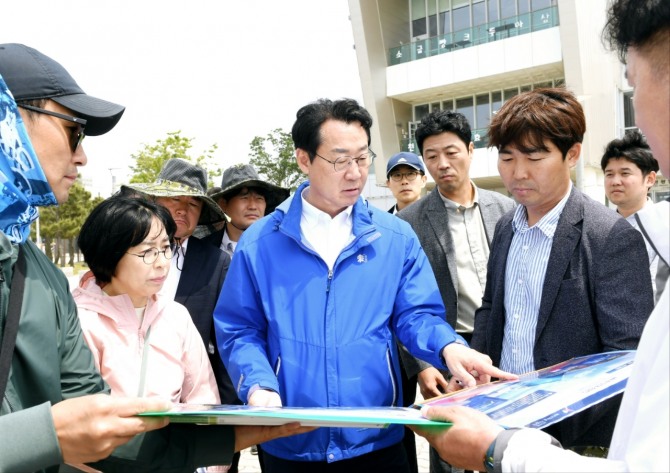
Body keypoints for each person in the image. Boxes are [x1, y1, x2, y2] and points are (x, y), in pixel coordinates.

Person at [0, 43, 309, 473]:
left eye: (164, 248)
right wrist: (40, 437)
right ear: (6, 120)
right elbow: (65, 432)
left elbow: (103, 429)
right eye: (74, 130)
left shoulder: (42, 277)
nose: (83, 155)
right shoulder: (71, 296)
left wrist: (234, 437)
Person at [410, 1, 669, 467]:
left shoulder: (610, 236)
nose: (517, 173)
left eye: (534, 157)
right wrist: (474, 372)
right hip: (498, 417)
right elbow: (493, 310)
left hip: (568, 442)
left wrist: (554, 413)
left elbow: (624, 359)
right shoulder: (508, 222)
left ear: (571, 155)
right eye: (507, 158)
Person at [214, 97, 515, 473]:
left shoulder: (394, 236)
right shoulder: (260, 244)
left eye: (362, 158)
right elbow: (239, 329)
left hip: (377, 435)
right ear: (304, 159)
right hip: (289, 438)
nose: (356, 173)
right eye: (340, 160)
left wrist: (449, 346)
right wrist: (258, 387)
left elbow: (417, 314)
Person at [397, 110, 515, 473]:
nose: (442, 164)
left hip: (502, 340)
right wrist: (419, 366)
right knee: (451, 448)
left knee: (506, 439)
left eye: (451, 152)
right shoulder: (408, 222)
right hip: (447, 346)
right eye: (431, 156)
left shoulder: (507, 208)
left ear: (470, 149)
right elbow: (401, 301)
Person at [123, 159, 244, 471]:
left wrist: (225, 428)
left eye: (193, 203)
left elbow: (228, 345)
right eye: (174, 199)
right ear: (154, 202)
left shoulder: (218, 264)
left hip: (191, 412)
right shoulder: (123, 254)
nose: (183, 209)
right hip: (126, 409)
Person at [385, 150, 428, 473]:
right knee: (399, 420)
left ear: (423, 179)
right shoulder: (381, 228)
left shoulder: (436, 221)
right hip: (395, 345)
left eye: (410, 174)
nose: (404, 181)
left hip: (436, 334)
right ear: (388, 183)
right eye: (397, 176)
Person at [601, 129, 668, 301]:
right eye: (609, 174)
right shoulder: (597, 226)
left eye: (625, 173)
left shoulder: (664, 226)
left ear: (650, 179)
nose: (615, 181)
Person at [204, 163, 289, 257]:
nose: (253, 206)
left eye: (259, 198)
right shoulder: (202, 250)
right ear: (223, 204)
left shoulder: (282, 248)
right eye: (244, 198)